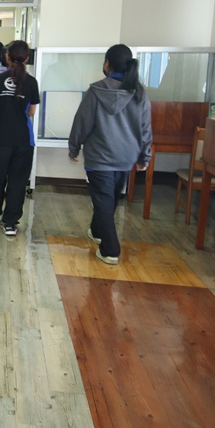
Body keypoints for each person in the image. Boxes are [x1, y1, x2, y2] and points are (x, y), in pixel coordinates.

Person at [68, 44, 151, 265]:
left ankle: (110, 249)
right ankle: (96, 231)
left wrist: (74, 146)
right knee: (109, 199)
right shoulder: (139, 92)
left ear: (107, 63)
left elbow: (82, 122)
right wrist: (144, 156)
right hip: (126, 157)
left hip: (99, 157)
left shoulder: (96, 90)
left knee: (104, 200)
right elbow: (145, 127)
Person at [0, 40, 40, 237]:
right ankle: (10, 222)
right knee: (18, 180)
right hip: (23, 139)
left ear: (7, 57)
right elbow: (31, 111)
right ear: (27, 58)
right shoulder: (31, 82)